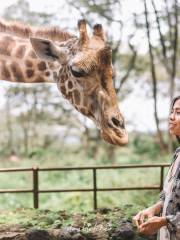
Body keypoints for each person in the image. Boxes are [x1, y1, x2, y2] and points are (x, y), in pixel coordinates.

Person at [133, 96, 180, 240]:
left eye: (178, 113)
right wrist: (154, 209)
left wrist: (164, 221)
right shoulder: (178, 154)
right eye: (172, 111)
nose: (171, 117)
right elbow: (170, 196)